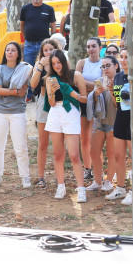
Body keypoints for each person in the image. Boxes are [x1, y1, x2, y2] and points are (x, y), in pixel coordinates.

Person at [43, 50, 87, 202]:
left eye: (58, 62)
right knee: (57, 153)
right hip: (55, 113)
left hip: (71, 113)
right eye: (53, 63)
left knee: (74, 154)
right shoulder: (49, 78)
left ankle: (81, 188)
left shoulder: (75, 75)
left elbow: (85, 99)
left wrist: (71, 93)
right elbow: (51, 103)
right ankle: (60, 186)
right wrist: (52, 92)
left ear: (64, 61)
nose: (56, 66)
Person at [0, 43, 32, 188]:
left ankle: (25, 176)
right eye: (7, 50)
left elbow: (25, 89)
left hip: (17, 112)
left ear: (18, 53)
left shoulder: (25, 69)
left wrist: (10, 90)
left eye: (13, 50)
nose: (10, 52)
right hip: (0, 112)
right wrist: (14, 92)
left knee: (20, 146)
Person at [85, 55, 119, 194]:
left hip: (114, 122)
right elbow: (92, 101)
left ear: (115, 66)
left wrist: (111, 91)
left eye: (107, 66)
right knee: (94, 152)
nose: (105, 69)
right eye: (103, 66)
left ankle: (109, 181)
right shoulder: (99, 81)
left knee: (112, 154)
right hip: (99, 122)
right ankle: (97, 181)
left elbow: (119, 105)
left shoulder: (120, 80)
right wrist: (95, 94)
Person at [29, 39, 59, 188]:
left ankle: (59, 178)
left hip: (59, 103)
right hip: (43, 102)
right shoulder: (38, 66)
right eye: (45, 50)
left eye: (51, 49)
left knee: (58, 143)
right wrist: (40, 65)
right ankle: (40, 177)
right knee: (43, 143)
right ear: (42, 53)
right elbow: (33, 84)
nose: (48, 53)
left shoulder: (60, 63)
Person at [106, 48, 133, 205]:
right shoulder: (118, 77)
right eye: (121, 57)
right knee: (118, 155)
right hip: (120, 117)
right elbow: (117, 103)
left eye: (127, 57)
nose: (123, 60)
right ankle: (121, 188)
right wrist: (110, 90)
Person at [20, 0, 57, 98]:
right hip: (29, 44)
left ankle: (47, 90)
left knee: (47, 68)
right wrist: (26, 38)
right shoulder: (25, 9)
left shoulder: (49, 9)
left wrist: (50, 41)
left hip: (44, 46)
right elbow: (22, 25)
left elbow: (53, 26)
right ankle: (30, 94)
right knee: (28, 69)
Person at [76, 38, 102, 182]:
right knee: (84, 138)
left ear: (99, 47)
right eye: (88, 46)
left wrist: (83, 84)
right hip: (83, 102)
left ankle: (98, 167)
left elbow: (101, 85)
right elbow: (75, 80)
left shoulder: (103, 63)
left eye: (93, 46)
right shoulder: (81, 63)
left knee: (96, 138)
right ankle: (88, 169)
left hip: (98, 103)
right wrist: (92, 85)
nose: (91, 49)